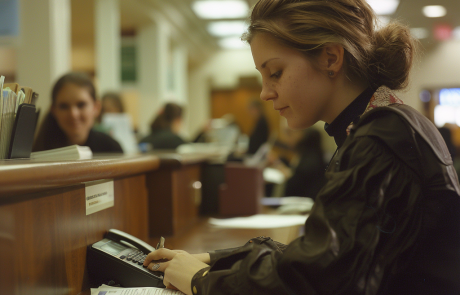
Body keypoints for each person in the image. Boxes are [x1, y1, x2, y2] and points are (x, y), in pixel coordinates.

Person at [143, 0, 460, 294]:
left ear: (331, 58)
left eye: (275, 73)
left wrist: (201, 282)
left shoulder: (380, 137)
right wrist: (211, 259)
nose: (266, 93)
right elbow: (321, 253)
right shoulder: (377, 123)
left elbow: (314, 280)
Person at [33, 72, 123, 153]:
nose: (73, 114)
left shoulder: (111, 148)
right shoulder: (39, 151)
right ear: (53, 110)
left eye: (81, 105)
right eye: (64, 106)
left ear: (96, 108)